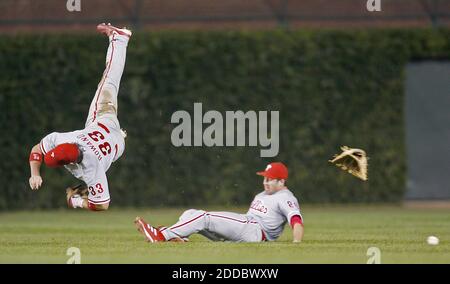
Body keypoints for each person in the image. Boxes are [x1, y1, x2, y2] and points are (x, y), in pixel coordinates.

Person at [28, 23, 132, 211]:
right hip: (103, 124)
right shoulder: (74, 148)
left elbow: (102, 205)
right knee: (110, 80)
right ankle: (120, 39)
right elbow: (103, 205)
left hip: (115, 143)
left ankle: (120, 38)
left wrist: (75, 201)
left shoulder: (66, 145)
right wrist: (35, 173)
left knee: (109, 81)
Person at [134, 162, 304, 243]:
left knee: (203, 217)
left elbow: (296, 221)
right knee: (191, 213)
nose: (265, 182)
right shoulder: (267, 192)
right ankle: (179, 239)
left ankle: (162, 235)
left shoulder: (285, 197)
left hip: (255, 231)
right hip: (245, 228)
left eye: (270, 179)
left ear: (281, 182)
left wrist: (296, 244)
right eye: (265, 178)